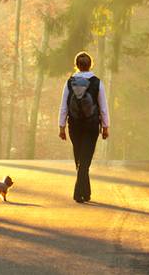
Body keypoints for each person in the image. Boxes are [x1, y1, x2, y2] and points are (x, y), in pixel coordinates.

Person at [58, 51, 110, 203]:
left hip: (74, 125)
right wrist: (105, 127)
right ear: (90, 64)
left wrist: (61, 127)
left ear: (77, 65)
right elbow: (103, 107)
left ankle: (85, 193)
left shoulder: (69, 82)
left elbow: (63, 106)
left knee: (80, 159)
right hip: (91, 125)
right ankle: (79, 192)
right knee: (85, 160)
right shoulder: (97, 83)